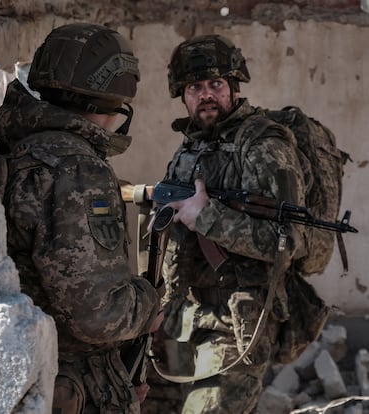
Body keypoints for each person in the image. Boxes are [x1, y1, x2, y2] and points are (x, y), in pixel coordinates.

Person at [0, 23, 163, 413]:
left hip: (24, 370)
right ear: (115, 97)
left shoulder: (14, 143)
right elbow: (98, 313)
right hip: (71, 383)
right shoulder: (76, 169)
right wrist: (149, 305)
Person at [154, 34, 310, 413]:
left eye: (216, 84)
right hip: (182, 313)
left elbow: (289, 241)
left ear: (234, 87)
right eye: (195, 87)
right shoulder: (190, 146)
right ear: (182, 93)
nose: (206, 94)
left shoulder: (263, 146)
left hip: (237, 318)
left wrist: (206, 217)